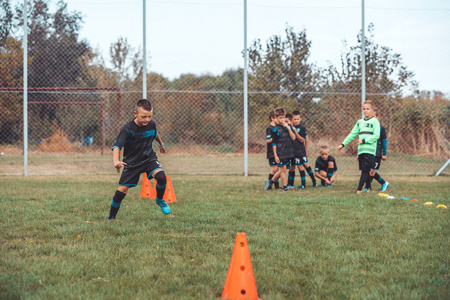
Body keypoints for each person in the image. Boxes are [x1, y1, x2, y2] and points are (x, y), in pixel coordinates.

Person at [107, 99, 170, 221]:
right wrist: (116, 161)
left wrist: (161, 144)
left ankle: (160, 200)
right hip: (132, 163)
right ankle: (111, 217)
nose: (147, 120)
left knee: (161, 177)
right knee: (120, 193)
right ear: (135, 114)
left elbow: (155, 133)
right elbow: (117, 146)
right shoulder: (128, 129)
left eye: (149, 116)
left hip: (148, 159)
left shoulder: (151, 124)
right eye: (143, 117)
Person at [336, 100, 380, 193]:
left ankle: (359, 189)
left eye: (368, 109)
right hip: (361, 150)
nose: (365, 110)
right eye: (364, 109)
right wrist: (342, 144)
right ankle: (369, 189)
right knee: (366, 170)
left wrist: (364, 140)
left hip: (370, 150)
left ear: (372, 110)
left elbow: (376, 135)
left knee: (365, 170)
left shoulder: (375, 121)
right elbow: (352, 134)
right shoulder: (360, 122)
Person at [265, 107, 296, 192]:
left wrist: (289, 128)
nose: (282, 120)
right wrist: (275, 155)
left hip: (289, 152)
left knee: (284, 169)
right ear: (276, 118)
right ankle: (285, 187)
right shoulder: (275, 129)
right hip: (280, 153)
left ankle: (270, 182)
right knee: (283, 170)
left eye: (283, 117)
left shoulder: (288, 126)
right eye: (280, 118)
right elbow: (274, 144)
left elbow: (293, 138)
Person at [291, 110, 317, 189]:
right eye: (294, 119)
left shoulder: (302, 128)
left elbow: (302, 139)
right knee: (294, 166)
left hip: (300, 151)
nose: (296, 121)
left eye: (298, 119)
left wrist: (305, 150)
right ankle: (290, 184)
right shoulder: (290, 127)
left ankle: (309, 182)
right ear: (292, 119)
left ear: (300, 119)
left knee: (303, 165)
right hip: (293, 151)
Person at [369, 107, 389, 192]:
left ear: (377, 117)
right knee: (368, 171)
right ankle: (383, 183)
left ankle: (368, 188)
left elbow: (384, 142)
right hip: (369, 152)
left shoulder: (381, 128)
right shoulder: (368, 128)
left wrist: (384, 154)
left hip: (377, 153)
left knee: (372, 171)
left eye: (373, 116)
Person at [265, 110, 280, 190]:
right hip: (271, 152)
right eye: (277, 118)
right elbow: (268, 140)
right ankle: (269, 184)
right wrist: (275, 138)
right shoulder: (269, 129)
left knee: (277, 169)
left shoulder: (277, 127)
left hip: (277, 151)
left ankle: (276, 186)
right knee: (274, 169)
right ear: (272, 118)